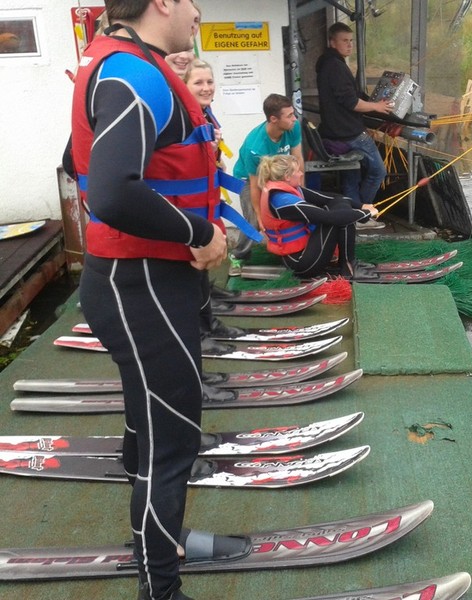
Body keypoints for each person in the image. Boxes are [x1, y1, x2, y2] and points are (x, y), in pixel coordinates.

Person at [69, 1, 230, 599]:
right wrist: (199, 233)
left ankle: (156, 542)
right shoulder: (135, 73)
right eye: (189, 0)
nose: (195, 11)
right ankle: (160, 589)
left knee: (147, 429)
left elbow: (73, 161)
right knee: (172, 443)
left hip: (130, 282)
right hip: (141, 287)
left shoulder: (121, 62)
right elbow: (113, 192)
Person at [182, 58, 244, 345]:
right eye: (198, 82)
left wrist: (215, 154)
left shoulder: (204, 115)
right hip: (186, 206)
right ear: (184, 86)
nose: (206, 87)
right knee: (189, 268)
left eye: (209, 82)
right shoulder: (182, 118)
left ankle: (207, 322)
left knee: (201, 267)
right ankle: (196, 330)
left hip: (205, 202)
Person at [315, 22, 391, 230]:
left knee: (352, 174)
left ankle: (351, 218)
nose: (349, 45)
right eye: (344, 41)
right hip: (349, 132)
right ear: (332, 42)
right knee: (378, 171)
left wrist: (372, 102)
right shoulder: (335, 67)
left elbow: (353, 95)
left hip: (332, 131)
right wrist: (377, 106)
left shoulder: (327, 63)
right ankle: (361, 214)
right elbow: (351, 102)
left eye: (351, 41)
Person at [258, 154, 378, 278]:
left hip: (304, 252)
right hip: (300, 264)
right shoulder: (283, 201)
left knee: (340, 205)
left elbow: (331, 198)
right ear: (287, 176)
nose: (301, 174)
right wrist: (365, 214)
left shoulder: (290, 188)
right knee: (339, 217)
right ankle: (349, 267)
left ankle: (348, 264)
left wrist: (362, 206)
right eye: (297, 171)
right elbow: (329, 217)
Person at [231, 93, 305, 258]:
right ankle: (239, 255)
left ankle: (291, 247)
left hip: (277, 174)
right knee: (254, 220)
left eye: (293, 114)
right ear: (273, 119)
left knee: (294, 205)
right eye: (289, 116)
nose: (294, 119)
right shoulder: (255, 147)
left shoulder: (293, 127)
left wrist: (300, 189)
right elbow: (255, 184)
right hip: (249, 178)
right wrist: (260, 215)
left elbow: (298, 159)